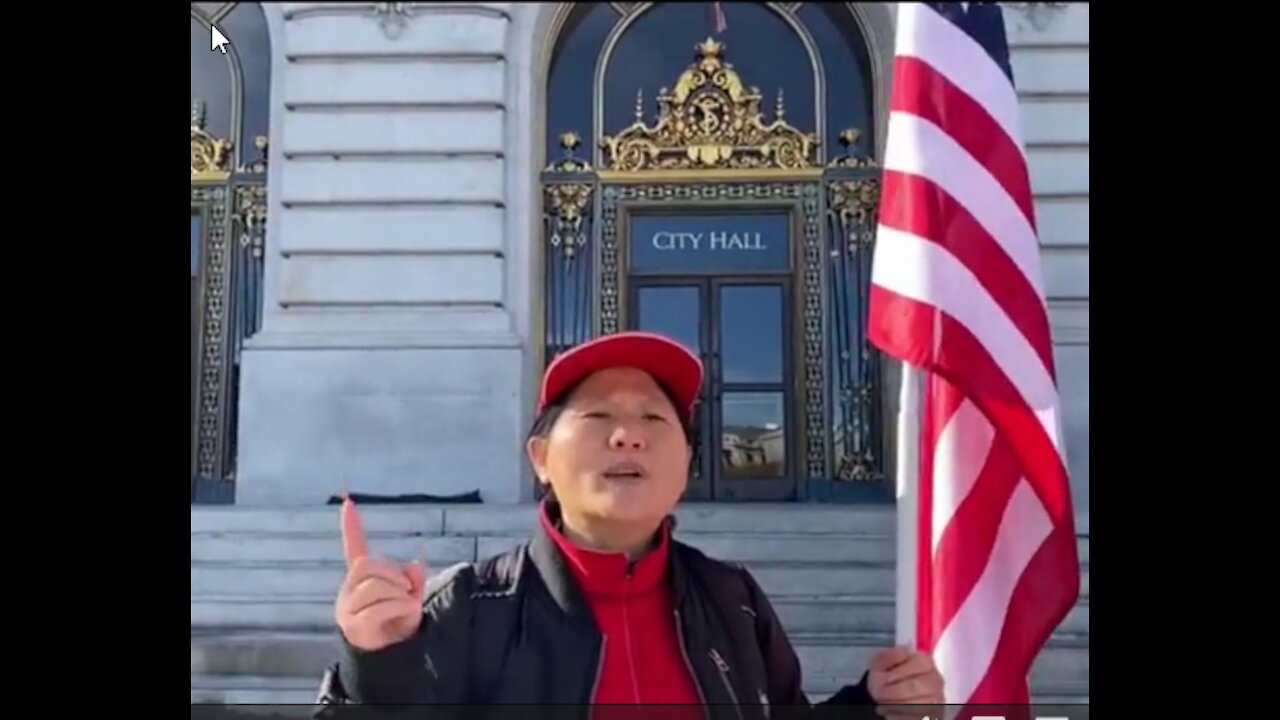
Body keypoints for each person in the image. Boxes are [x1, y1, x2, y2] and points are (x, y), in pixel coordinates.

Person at [316, 331, 944, 715]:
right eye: (596, 419)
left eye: (654, 420)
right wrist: (373, 663)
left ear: (687, 460)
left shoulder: (734, 600)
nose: (628, 437)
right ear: (541, 459)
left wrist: (873, 706)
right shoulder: (471, 608)